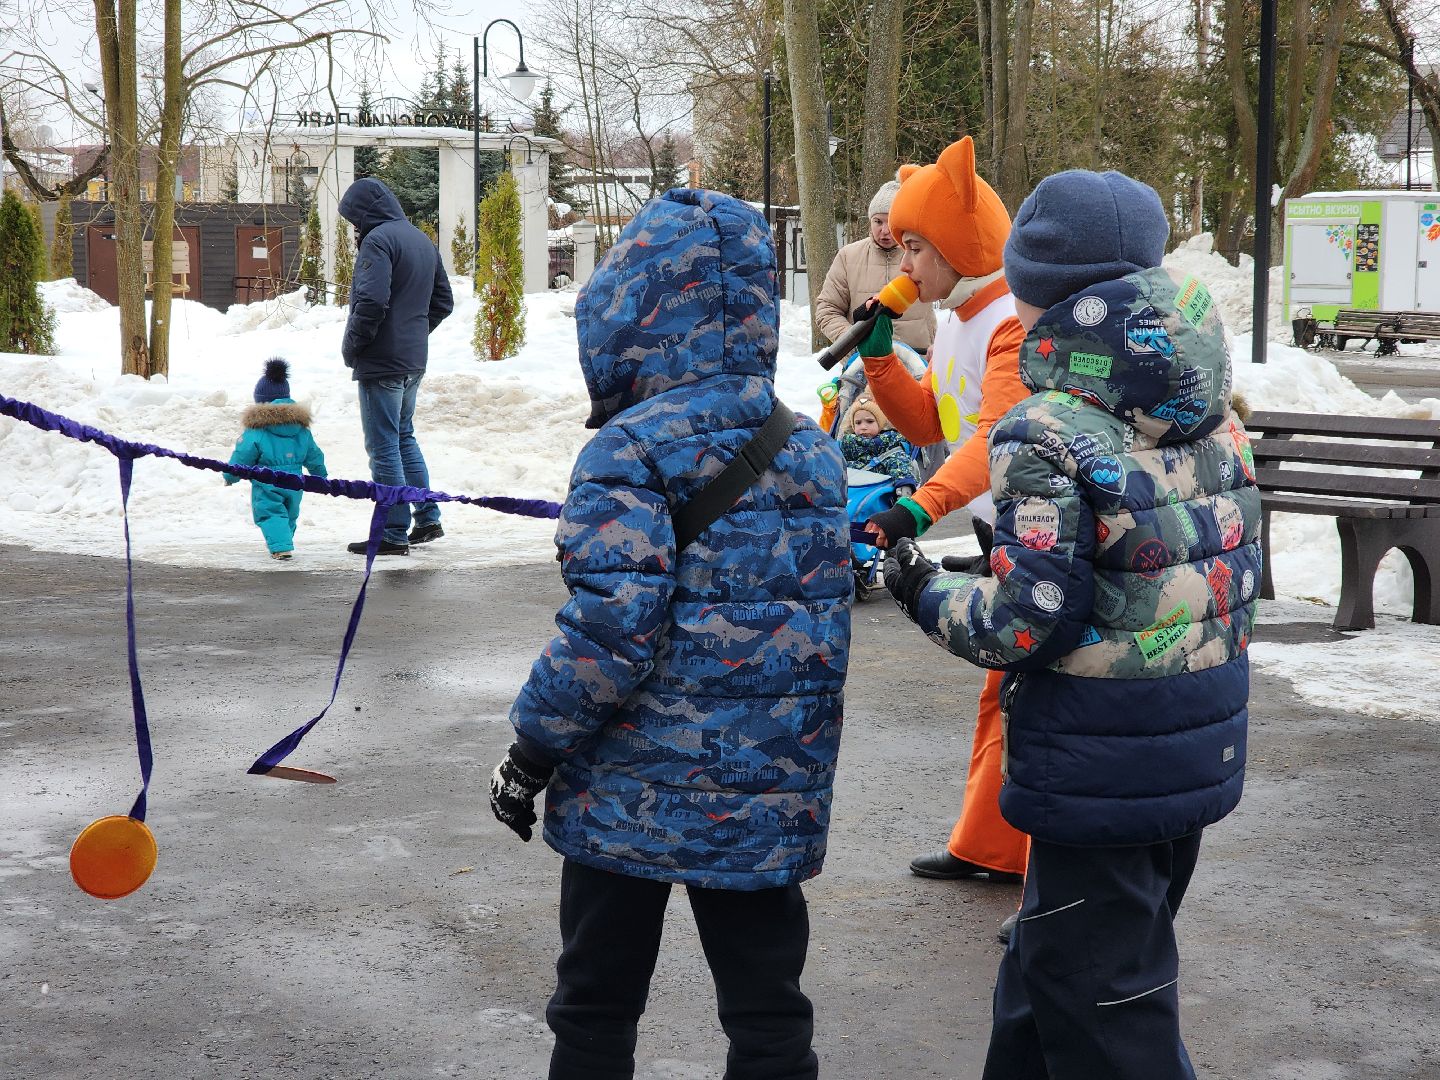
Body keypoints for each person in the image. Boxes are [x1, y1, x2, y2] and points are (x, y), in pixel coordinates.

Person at [883, 168, 1259, 1079]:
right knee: (1047, 970)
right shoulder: (1212, 413)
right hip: (1194, 739)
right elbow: (1200, 562)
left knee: (1106, 1007)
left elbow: (1025, 622)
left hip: (1099, 762)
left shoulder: (1043, 429)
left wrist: (918, 586)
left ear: (1039, 284)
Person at [486, 188, 851, 1080]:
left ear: (632, 310)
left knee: (595, 1007)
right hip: (766, 794)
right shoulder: (808, 446)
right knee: (769, 1013)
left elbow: (611, 631)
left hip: (627, 796)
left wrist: (532, 750)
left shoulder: (630, 451)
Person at [855, 136, 1031, 886]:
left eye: (916, 249)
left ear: (960, 242)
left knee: (1024, 698)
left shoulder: (1011, 321)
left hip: (1036, 529)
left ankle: (1022, 859)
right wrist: (880, 357)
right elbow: (933, 423)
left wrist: (917, 510)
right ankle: (989, 846)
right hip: (1002, 528)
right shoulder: (958, 312)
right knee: (1006, 689)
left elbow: (992, 436)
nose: (904, 268)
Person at [338, 177, 453, 557]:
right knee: (404, 438)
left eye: (353, 218)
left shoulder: (378, 241)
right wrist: (414, 333)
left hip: (382, 360)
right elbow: (443, 302)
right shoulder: (421, 240)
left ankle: (392, 531)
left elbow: (370, 301)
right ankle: (428, 517)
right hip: (412, 359)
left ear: (364, 214)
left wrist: (354, 346)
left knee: (384, 446)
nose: (353, 227)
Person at [815, 180, 936, 354]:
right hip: (861, 366)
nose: (885, 230)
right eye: (878, 221)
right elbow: (827, 309)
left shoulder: (926, 255)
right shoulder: (848, 256)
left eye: (892, 221)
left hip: (918, 364)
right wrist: (853, 342)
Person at [224, 358, 327, 561]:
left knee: (270, 513)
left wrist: (230, 474)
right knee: (290, 513)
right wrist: (320, 475)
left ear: (261, 402)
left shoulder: (257, 428)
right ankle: (284, 542)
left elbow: (243, 455)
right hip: (295, 481)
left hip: (267, 480)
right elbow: (314, 454)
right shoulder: (301, 427)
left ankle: (281, 546)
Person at [838, 396, 913, 481]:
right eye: (858, 423)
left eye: (870, 421)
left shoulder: (889, 442)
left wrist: (904, 482)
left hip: (876, 488)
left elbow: (898, 461)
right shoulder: (846, 444)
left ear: (880, 423)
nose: (863, 427)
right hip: (851, 489)